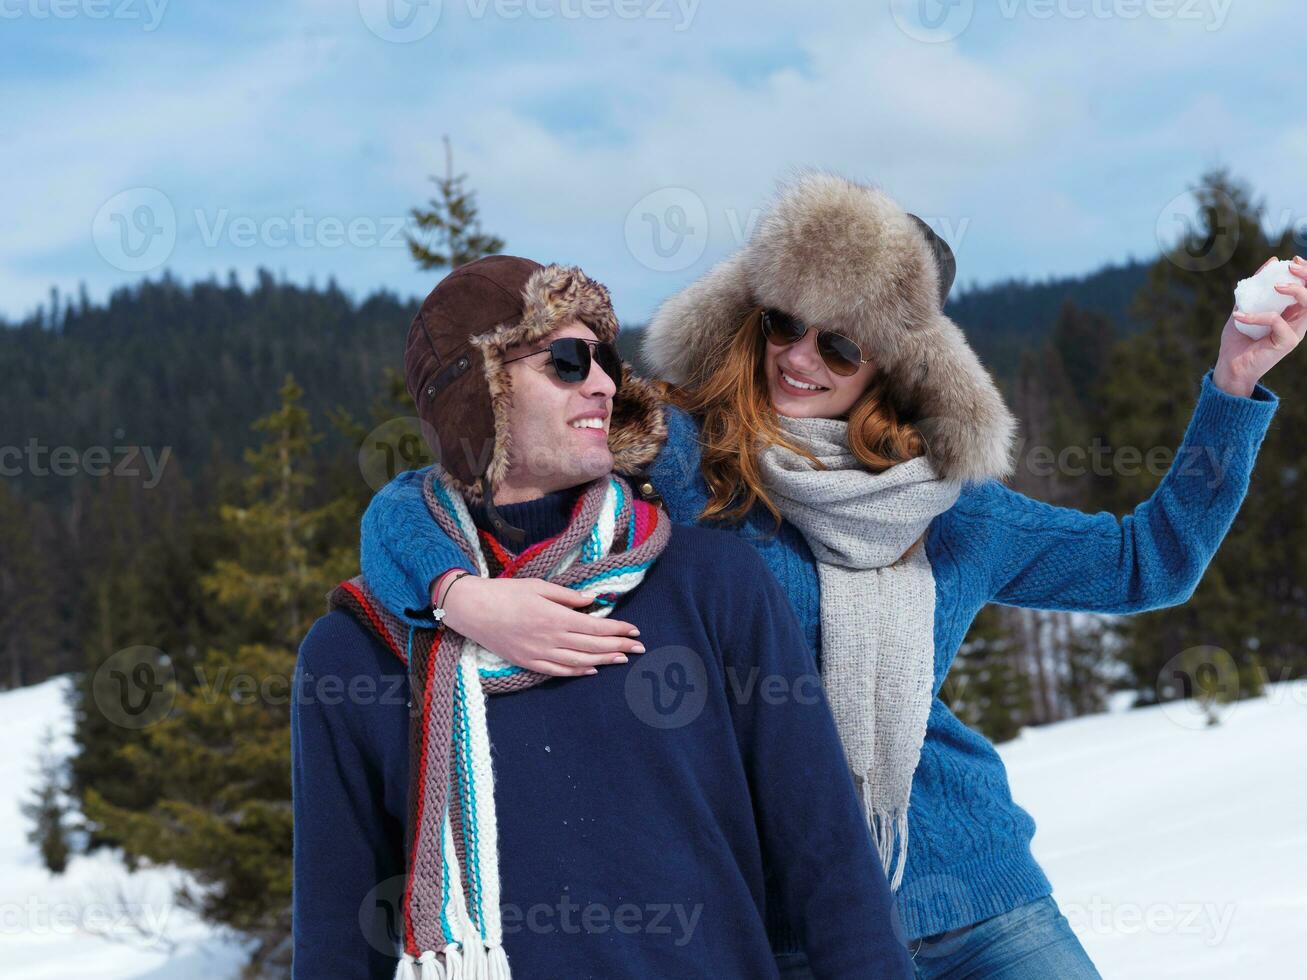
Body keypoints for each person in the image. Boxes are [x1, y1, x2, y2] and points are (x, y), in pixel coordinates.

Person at [357, 174, 1298, 978]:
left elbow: (1150, 562)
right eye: (784, 324)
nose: (800, 358)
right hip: (801, 920)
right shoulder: (686, 455)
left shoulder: (954, 509)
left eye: (841, 344)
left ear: (893, 365)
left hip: (979, 898)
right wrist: (460, 592)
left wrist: (1230, 383)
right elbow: (438, 486)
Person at [291, 254, 915, 979]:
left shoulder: (708, 584)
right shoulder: (357, 651)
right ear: (476, 395)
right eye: (564, 360)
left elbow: (828, 858)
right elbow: (337, 934)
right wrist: (457, 600)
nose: (602, 383)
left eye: (603, 359)